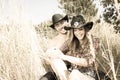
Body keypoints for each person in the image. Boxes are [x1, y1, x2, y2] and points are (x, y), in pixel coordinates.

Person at [46, 14, 100, 80]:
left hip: (88, 75)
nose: (78, 32)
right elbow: (57, 52)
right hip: (72, 74)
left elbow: (86, 62)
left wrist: (64, 57)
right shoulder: (71, 41)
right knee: (56, 60)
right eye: (75, 30)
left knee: (75, 74)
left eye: (80, 29)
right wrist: (50, 53)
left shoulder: (93, 40)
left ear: (85, 29)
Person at [40, 13, 70, 80]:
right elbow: (46, 60)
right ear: (55, 28)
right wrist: (51, 60)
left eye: (62, 22)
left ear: (67, 22)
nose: (61, 26)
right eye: (57, 25)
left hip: (74, 67)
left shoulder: (76, 34)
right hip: (58, 69)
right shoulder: (53, 41)